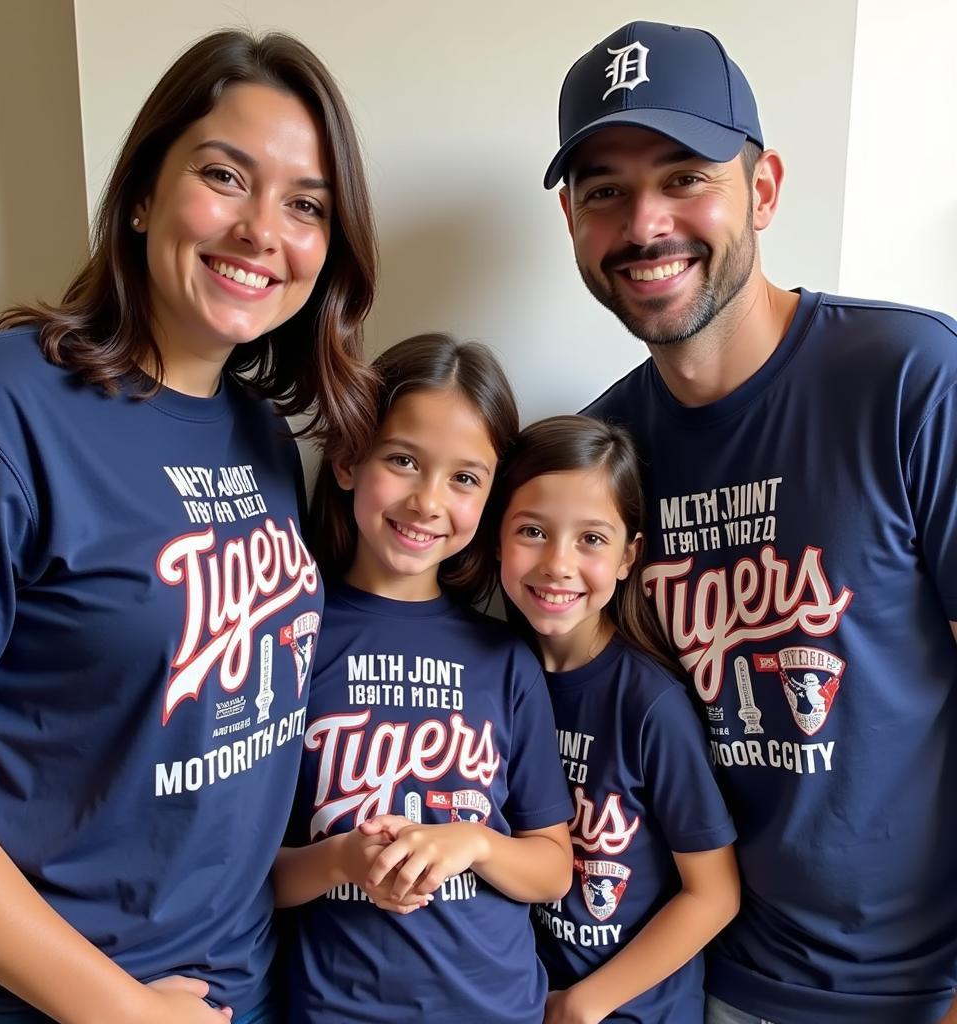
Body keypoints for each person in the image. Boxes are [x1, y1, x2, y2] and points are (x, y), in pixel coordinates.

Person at [0, 29, 378, 1024]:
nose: (264, 230)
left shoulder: (265, 435)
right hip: (48, 1001)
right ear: (141, 194)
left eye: (306, 204)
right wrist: (119, 1011)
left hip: (244, 987)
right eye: (225, 176)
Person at [543, 19, 957, 1024]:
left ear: (761, 188)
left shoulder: (908, 377)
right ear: (571, 221)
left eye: (684, 175)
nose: (644, 224)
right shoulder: (601, 458)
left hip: (909, 991)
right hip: (700, 982)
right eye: (604, 190)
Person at [272, 334, 574, 1023]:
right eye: (404, 461)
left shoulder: (504, 657)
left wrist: (473, 842)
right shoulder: (291, 632)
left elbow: (553, 868)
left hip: (493, 1006)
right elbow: (255, 876)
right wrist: (343, 861)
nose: (428, 501)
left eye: (465, 478)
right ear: (349, 460)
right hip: (336, 1008)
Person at [497, 415, 738, 1023]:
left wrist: (585, 1004)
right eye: (532, 530)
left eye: (591, 539)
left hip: (631, 1010)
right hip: (520, 999)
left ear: (630, 556)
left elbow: (713, 893)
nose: (558, 563)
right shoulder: (490, 676)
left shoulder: (649, 705)